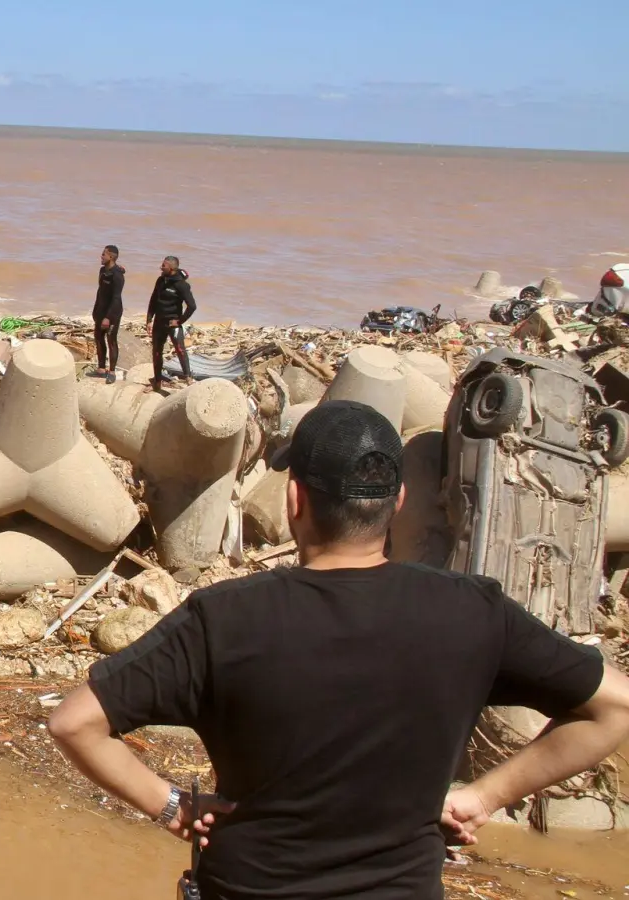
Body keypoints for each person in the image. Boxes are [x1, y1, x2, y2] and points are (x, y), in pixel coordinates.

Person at [49, 401, 629, 900]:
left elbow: (75, 722)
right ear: (397, 501)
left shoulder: (223, 618)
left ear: (295, 499)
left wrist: (171, 804)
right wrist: (486, 795)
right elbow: (615, 708)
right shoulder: (473, 611)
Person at [145, 255, 196, 390]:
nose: (161, 267)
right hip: (159, 323)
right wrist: (149, 320)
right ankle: (157, 382)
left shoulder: (182, 285)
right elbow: (153, 300)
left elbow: (192, 306)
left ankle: (188, 378)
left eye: (164, 265)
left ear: (172, 268)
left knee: (180, 350)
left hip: (172, 323)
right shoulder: (161, 280)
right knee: (156, 352)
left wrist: (179, 321)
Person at [92, 245, 125, 381]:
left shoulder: (117, 275)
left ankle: (111, 372)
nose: (101, 257)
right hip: (100, 310)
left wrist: (108, 318)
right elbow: (100, 292)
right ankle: (101, 368)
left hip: (113, 312)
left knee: (111, 340)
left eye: (103, 255)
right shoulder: (102, 271)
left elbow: (116, 298)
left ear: (111, 257)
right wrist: (96, 310)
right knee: (98, 337)